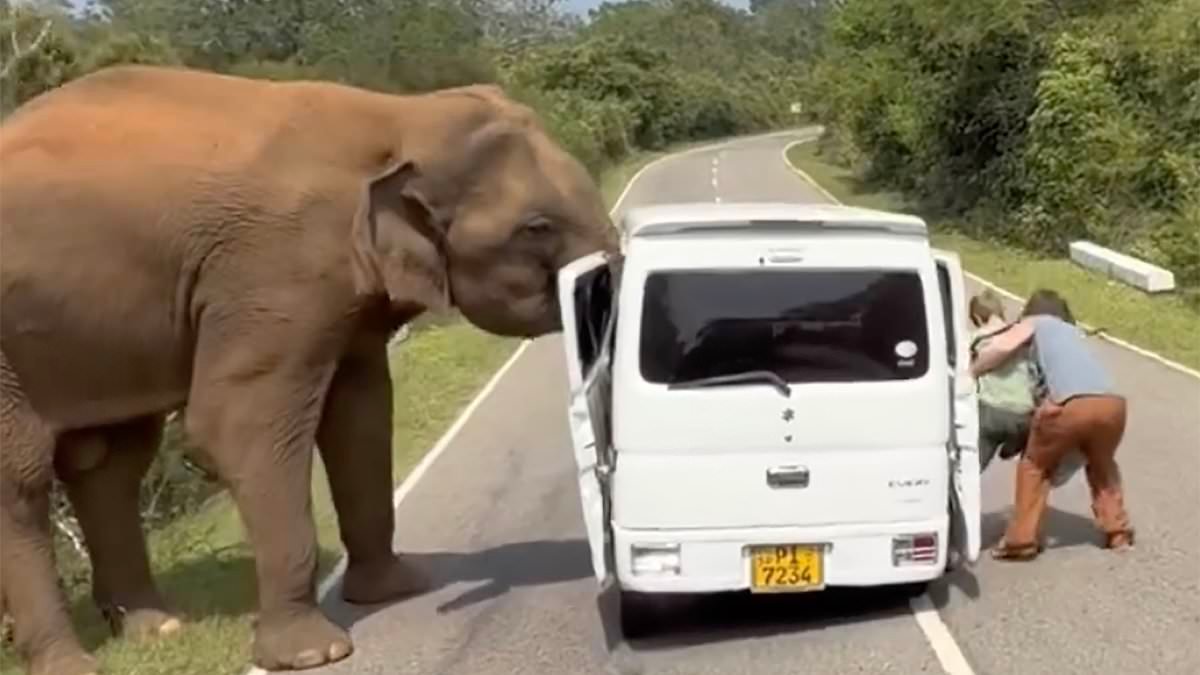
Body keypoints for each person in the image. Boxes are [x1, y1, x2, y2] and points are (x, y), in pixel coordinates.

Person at [971, 288, 1133, 560]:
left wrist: (971, 371)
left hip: (1069, 402)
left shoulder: (1035, 323)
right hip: (1112, 404)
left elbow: (1001, 346)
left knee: (1035, 466)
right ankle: (1118, 533)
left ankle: (1021, 541)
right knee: (1102, 465)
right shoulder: (1074, 333)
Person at [968, 290, 1085, 485]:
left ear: (978, 317)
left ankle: (956, 503)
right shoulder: (1024, 333)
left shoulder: (976, 339)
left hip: (990, 410)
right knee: (1033, 440)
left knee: (972, 466)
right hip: (1024, 413)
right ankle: (1015, 444)